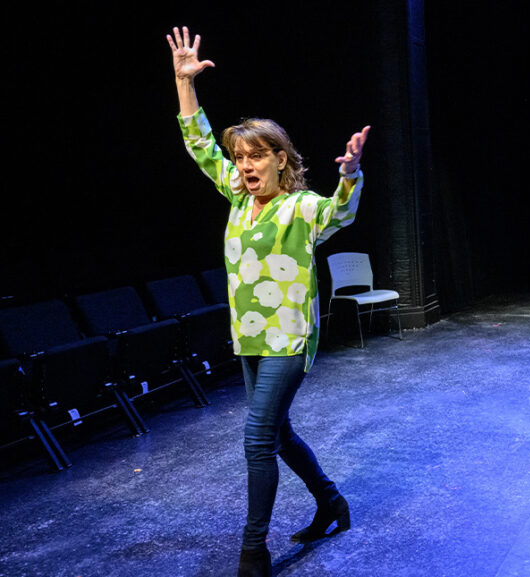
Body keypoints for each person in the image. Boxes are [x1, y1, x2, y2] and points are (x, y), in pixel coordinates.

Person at [166, 26, 370, 576]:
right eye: (239, 158)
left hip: (289, 337)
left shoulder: (301, 207)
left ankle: (253, 550)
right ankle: (331, 502)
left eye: (257, 156)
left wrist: (349, 175)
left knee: (257, 436)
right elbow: (197, 142)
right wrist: (185, 83)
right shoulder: (236, 199)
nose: (245, 166)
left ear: (282, 159)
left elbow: (340, 215)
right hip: (249, 335)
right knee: (278, 435)